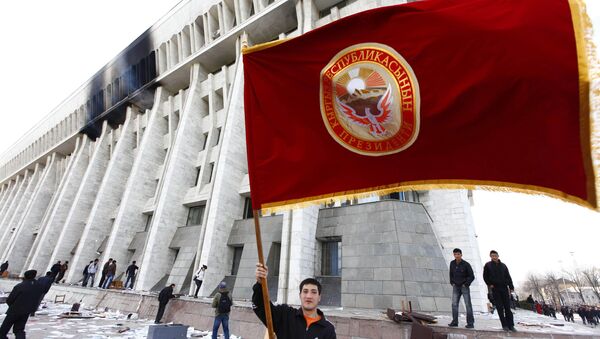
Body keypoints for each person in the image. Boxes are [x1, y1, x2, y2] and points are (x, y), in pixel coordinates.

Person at [253, 263, 336, 338]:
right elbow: (261, 306)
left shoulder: (328, 329)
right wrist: (260, 284)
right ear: (300, 295)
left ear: (319, 297)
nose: (309, 296)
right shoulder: (285, 316)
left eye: (314, 292)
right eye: (305, 291)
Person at [0, 270, 43, 339]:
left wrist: (12, 306)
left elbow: (10, 299)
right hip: (26, 311)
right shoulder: (38, 287)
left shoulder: (20, 286)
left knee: (4, 329)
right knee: (19, 330)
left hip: (14, 310)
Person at [483, 250, 516, 332]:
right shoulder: (488, 265)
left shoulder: (503, 266)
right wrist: (489, 284)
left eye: (495, 255)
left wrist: (511, 286)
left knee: (507, 308)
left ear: (498, 256)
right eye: (492, 256)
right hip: (495, 289)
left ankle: (511, 325)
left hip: (504, 288)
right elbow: (485, 276)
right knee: (500, 308)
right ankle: (504, 325)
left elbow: (508, 276)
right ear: (490, 257)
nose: (494, 257)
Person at [448, 248, 475, 329]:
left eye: (458, 254)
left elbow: (471, 276)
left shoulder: (466, 264)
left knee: (468, 305)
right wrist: (452, 282)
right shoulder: (452, 263)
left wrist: (466, 284)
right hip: (456, 286)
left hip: (464, 287)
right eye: (455, 254)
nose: (456, 256)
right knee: (454, 304)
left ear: (461, 255)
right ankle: (455, 322)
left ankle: (470, 323)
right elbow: (451, 274)